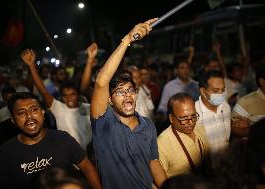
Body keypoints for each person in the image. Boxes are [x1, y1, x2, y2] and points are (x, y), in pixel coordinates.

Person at [91, 18, 167, 189]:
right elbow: (102, 82)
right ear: (110, 100)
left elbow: (153, 162)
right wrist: (127, 40)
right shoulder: (103, 123)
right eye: (119, 92)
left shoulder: (147, 125)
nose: (126, 96)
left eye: (130, 90)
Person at [0, 92, 101, 189]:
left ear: (42, 112)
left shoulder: (62, 138)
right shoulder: (5, 153)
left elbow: (87, 168)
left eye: (34, 109)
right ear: (13, 120)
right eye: (21, 113)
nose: (29, 117)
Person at [21, 47, 95, 150]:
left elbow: (85, 86)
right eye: (65, 95)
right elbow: (43, 91)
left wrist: (90, 60)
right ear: (62, 97)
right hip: (69, 158)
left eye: (72, 94)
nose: (69, 98)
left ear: (78, 95)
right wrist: (31, 66)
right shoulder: (58, 108)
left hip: (91, 154)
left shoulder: (88, 108)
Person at [158, 93, 209, 178]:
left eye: (193, 116)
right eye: (184, 118)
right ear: (171, 118)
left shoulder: (200, 129)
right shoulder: (162, 144)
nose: (191, 122)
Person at [195, 70, 231, 163]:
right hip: (205, 169)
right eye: (215, 91)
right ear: (203, 91)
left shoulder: (225, 106)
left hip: (225, 164)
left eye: (223, 90)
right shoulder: (193, 113)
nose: (220, 94)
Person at [231, 64, 265, 139]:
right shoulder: (246, 102)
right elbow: (234, 129)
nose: (239, 73)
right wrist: (256, 131)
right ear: (262, 81)